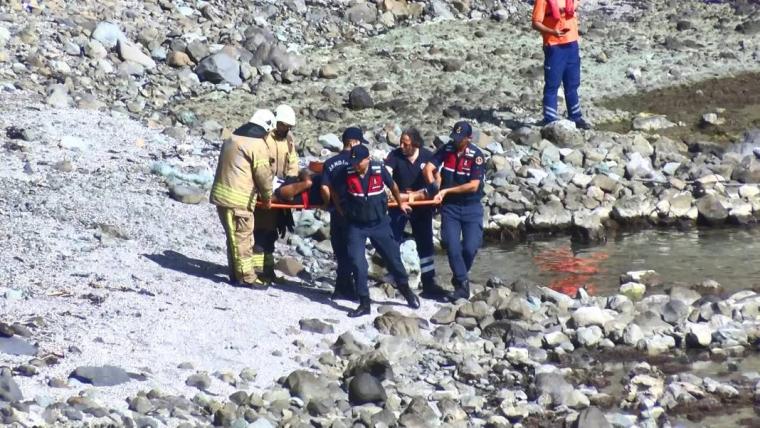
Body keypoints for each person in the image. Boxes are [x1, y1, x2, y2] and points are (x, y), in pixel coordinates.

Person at [333, 144, 420, 317]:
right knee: (358, 263)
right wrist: (341, 210)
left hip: (379, 223)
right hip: (356, 225)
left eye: (359, 162)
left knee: (394, 259)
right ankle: (364, 303)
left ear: (368, 159)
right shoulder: (346, 172)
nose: (356, 165)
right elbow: (335, 192)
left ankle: (406, 290)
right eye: (353, 162)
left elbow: (393, 185)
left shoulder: (378, 169)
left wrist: (400, 202)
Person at [209, 110, 274, 287]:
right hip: (239, 200)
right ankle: (246, 278)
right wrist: (267, 196)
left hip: (222, 197)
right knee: (242, 239)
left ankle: (235, 274)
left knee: (232, 237)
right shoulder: (257, 144)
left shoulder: (232, 138)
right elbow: (263, 175)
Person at [423, 121, 486, 302]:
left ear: (469, 138)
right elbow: (429, 168)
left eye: (460, 139)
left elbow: (473, 186)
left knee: (470, 247)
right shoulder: (447, 149)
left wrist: (446, 190)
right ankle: (462, 285)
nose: (456, 142)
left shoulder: (476, 156)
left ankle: (459, 277)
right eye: (455, 138)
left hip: (471, 207)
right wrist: (434, 187)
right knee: (451, 245)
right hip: (450, 207)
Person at [384, 128, 448, 301]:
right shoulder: (395, 156)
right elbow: (387, 174)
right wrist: (398, 196)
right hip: (400, 203)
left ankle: (428, 280)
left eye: (406, 143)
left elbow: (437, 178)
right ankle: (394, 275)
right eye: (401, 143)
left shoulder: (426, 156)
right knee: (392, 238)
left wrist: (434, 192)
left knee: (425, 242)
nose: (402, 146)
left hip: (422, 205)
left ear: (415, 144)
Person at [253, 104, 300, 283]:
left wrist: (292, 178)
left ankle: (268, 269)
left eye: (288, 127)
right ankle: (257, 271)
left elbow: (293, 161)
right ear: (276, 122)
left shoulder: (288, 140)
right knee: (261, 232)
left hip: (279, 190)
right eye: (283, 125)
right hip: (264, 189)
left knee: (272, 233)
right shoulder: (264, 138)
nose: (286, 129)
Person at [321, 127, 366, 301]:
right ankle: (353, 289)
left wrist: (328, 204)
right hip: (355, 212)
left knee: (340, 251)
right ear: (354, 142)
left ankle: (341, 288)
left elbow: (325, 187)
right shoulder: (360, 161)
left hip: (336, 212)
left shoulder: (331, 162)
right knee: (354, 251)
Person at [531, 0, 591, 129]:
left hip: (572, 44)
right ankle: (550, 119)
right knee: (552, 85)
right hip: (554, 46)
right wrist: (552, 32)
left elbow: (576, 3)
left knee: (572, 84)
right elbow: (535, 23)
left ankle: (576, 117)